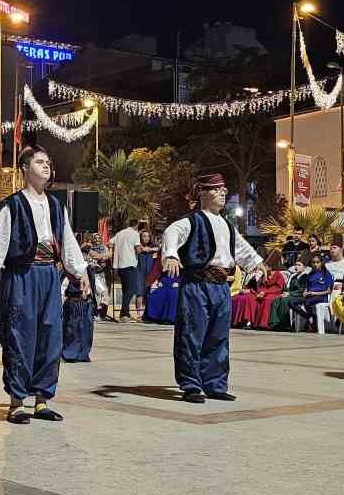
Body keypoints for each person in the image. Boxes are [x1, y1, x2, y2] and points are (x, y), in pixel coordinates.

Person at [0, 146, 89, 423]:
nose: (47, 166)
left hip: (49, 275)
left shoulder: (55, 205)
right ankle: (16, 403)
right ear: (24, 168)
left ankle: (41, 400)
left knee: (50, 336)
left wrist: (80, 271)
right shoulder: (11, 205)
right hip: (22, 275)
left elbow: (68, 241)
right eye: (40, 161)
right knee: (19, 335)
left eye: (48, 162)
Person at [160, 173, 264, 403]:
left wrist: (257, 262)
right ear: (203, 194)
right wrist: (171, 254)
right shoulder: (192, 220)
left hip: (221, 287)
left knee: (219, 337)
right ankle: (191, 385)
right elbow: (172, 232)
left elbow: (242, 249)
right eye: (217, 190)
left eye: (224, 189)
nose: (223, 193)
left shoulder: (227, 225)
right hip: (197, 283)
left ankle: (215, 384)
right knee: (191, 334)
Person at [285, 252, 335, 332]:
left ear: (321, 263)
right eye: (313, 262)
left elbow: (328, 291)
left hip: (320, 297)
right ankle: (309, 316)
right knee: (292, 302)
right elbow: (307, 287)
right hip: (309, 296)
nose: (315, 264)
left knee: (307, 302)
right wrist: (305, 292)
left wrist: (314, 293)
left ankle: (312, 322)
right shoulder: (310, 274)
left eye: (317, 262)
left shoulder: (326, 274)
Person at [109, 219, 142, 321]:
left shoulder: (120, 233)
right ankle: (123, 313)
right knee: (131, 289)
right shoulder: (135, 234)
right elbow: (138, 250)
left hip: (119, 265)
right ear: (137, 225)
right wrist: (142, 249)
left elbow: (109, 243)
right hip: (130, 264)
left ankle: (126, 314)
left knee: (125, 290)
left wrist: (117, 250)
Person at [61, 268, 96, 362]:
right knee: (72, 326)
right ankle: (70, 353)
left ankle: (82, 354)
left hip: (86, 299)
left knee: (86, 326)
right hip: (73, 295)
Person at [252, 252, 289, 330]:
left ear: (272, 266)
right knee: (256, 299)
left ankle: (265, 324)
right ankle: (255, 323)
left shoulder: (278, 274)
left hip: (275, 293)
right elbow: (262, 286)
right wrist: (261, 292)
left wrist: (265, 292)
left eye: (266, 266)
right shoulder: (265, 274)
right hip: (266, 293)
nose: (265, 267)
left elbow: (278, 288)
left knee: (267, 300)